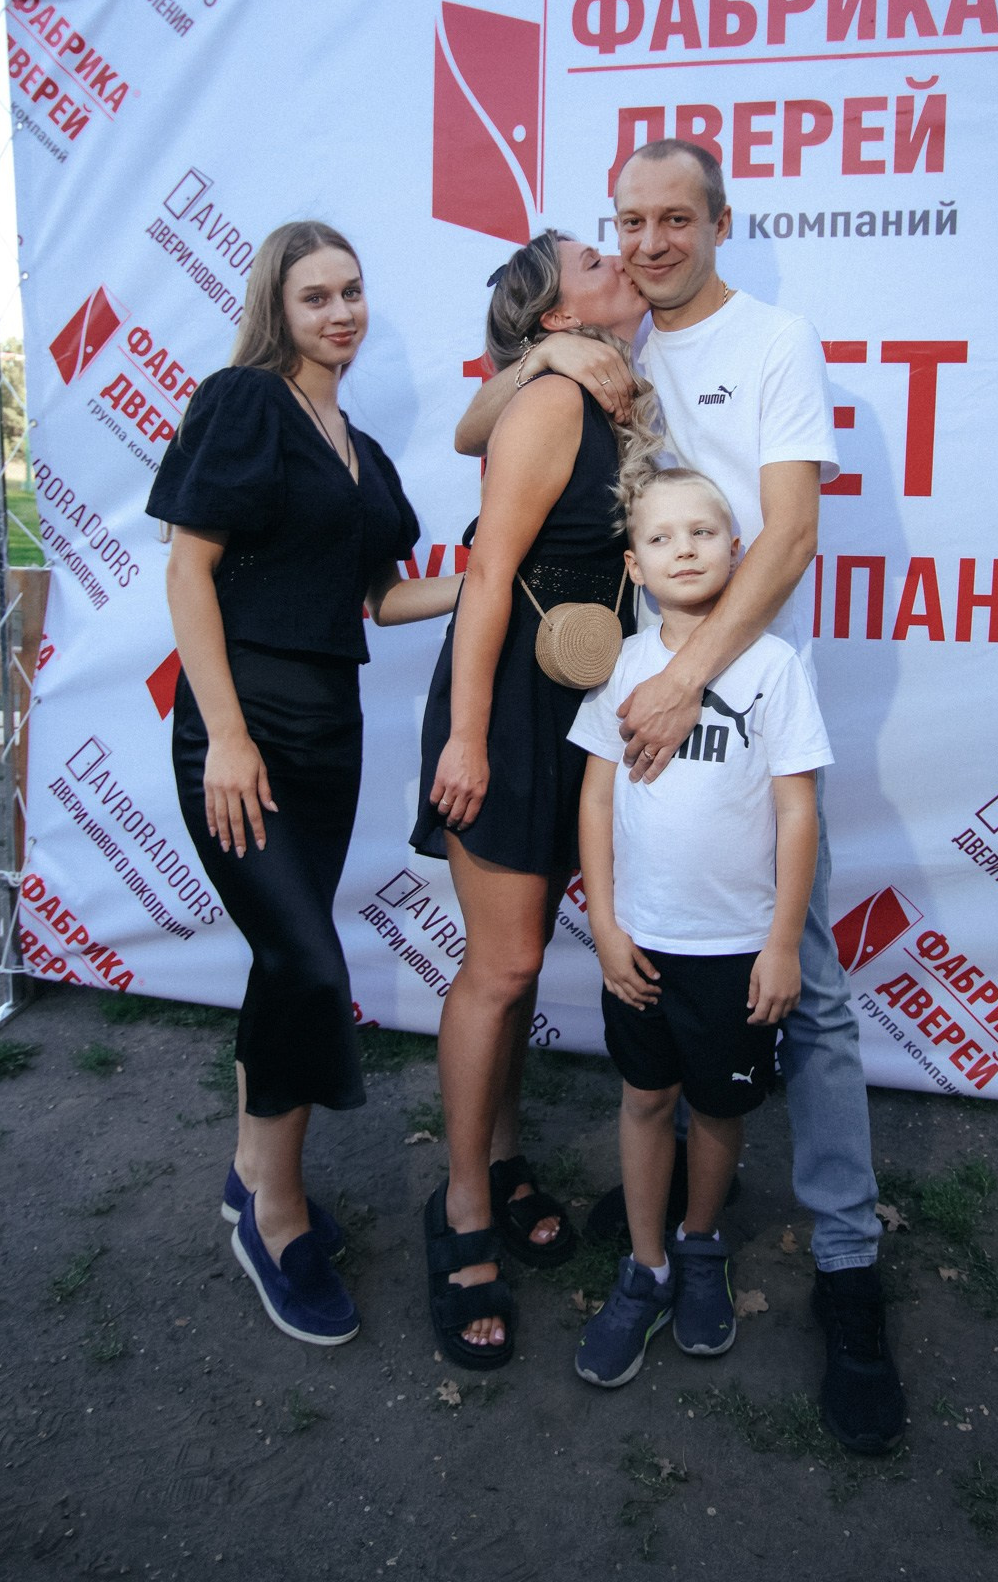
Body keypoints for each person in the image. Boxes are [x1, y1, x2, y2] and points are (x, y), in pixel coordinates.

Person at [456, 141, 905, 1453]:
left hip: (735, 712)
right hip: (627, 715)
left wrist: (685, 680)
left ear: (719, 221)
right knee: (647, 984)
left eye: (674, 218)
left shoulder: (773, 340)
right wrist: (546, 354)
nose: (648, 242)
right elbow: (474, 429)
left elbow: (792, 532)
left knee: (807, 994)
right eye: (629, 221)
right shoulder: (614, 342)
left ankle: (846, 1267)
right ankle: (666, 1225)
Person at [147, 220, 458, 1348]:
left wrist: (491, 579)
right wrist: (228, 735)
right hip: (244, 729)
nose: (340, 312)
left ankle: (251, 1178)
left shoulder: (360, 450)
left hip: (331, 733)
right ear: (277, 308)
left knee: (286, 963)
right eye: (315, 295)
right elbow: (189, 569)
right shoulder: (245, 402)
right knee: (309, 963)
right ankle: (271, 1211)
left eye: (352, 291)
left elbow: (381, 597)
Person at [409, 229, 656, 1369]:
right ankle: (461, 1206)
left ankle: (503, 1158)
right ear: (557, 317)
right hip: (508, 706)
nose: (622, 259)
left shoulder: (609, 389)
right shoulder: (553, 400)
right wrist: (467, 737)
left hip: (577, 708)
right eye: (596, 261)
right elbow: (487, 575)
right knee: (502, 968)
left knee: (517, 965)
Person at [570, 466, 830, 1385]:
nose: (683, 549)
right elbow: (595, 799)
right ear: (633, 566)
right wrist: (604, 925)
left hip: (736, 951)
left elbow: (796, 812)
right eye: (660, 537)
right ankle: (644, 1267)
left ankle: (699, 1243)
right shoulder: (622, 666)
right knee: (645, 1099)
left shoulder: (774, 668)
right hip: (640, 946)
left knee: (718, 1108)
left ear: (737, 549)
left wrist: (780, 943)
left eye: (702, 532)